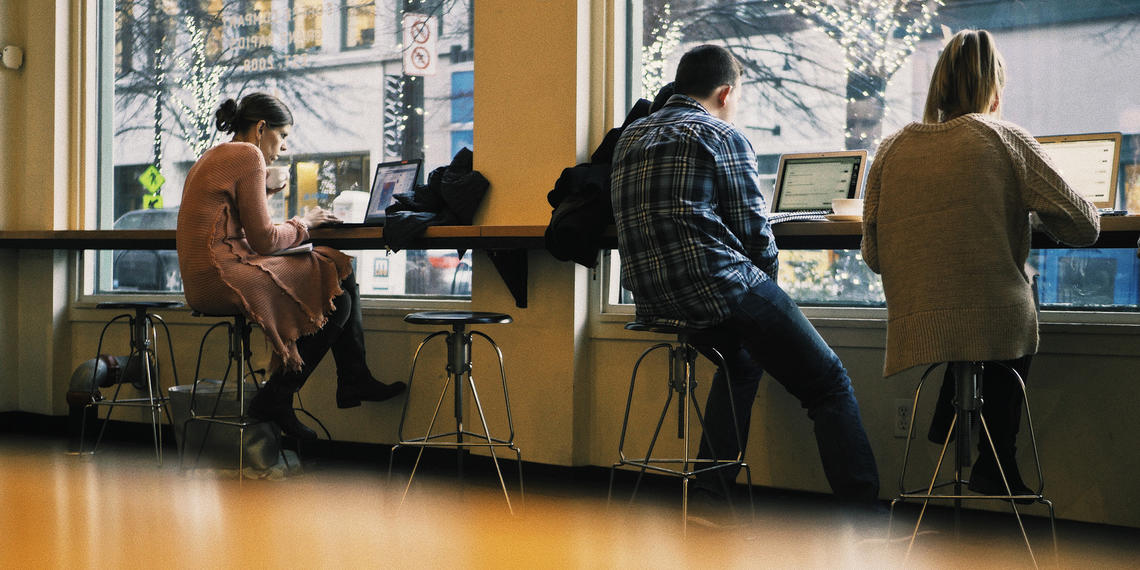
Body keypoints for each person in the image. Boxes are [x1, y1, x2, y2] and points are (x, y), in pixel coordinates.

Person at [611, 45, 881, 512]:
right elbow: (755, 236)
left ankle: (710, 495)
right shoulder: (720, 135)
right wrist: (768, 293)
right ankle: (864, 511)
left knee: (741, 359)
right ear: (725, 91)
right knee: (828, 382)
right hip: (716, 287)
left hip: (654, 299)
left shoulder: (630, 137)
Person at [861, 30, 1099, 498]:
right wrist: (1024, 210)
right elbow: (1085, 226)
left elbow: (873, 255)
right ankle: (997, 457)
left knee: (966, 315)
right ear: (995, 85)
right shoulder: (1004, 139)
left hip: (918, 318)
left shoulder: (890, 148)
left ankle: (951, 424)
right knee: (1012, 298)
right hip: (994, 320)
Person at [176, 92, 406, 442]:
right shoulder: (247, 154)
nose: (282, 147)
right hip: (223, 276)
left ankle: (345, 380)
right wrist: (306, 222)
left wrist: (266, 192)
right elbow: (265, 241)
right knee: (337, 284)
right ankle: (281, 396)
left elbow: (235, 229)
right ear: (261, 128)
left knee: (334, 268)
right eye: (281, 136)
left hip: (202, 278)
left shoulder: (214, 154)